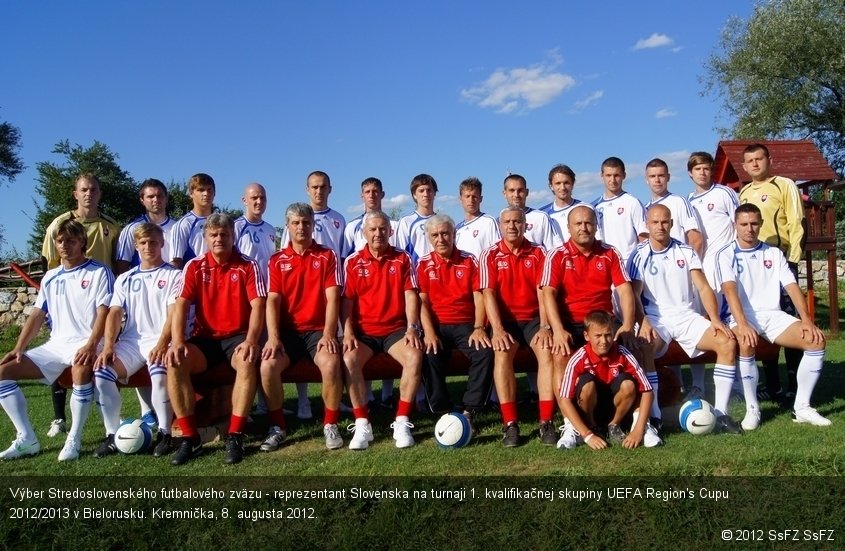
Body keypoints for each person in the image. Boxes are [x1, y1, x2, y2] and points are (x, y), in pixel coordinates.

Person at [539, 205, 654, 446]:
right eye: (578, 224)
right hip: (571, 323)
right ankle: (571, 426)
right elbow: (548, 293)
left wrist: (628, 325)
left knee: (637, 345)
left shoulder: (609, 252)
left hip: (603, 322)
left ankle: (640, 421)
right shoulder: (557, 255)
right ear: (568, 228)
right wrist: (557, 330)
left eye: (589, 223)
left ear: (596, 225)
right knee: (561, 355)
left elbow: (624, 289)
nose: (584, 228)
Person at [1, 219, 113, 460]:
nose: (65, 246)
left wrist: (92, 344)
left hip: (88, 341)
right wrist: (19, 347)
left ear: (82, 241)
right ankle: (27, 439)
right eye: (60, 241)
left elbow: (105, 311)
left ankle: (74, 437)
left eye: (71, 241)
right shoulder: (50, 277)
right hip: (56, 345)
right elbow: (38, 314)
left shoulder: (100, 271)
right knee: (3, 372)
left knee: (81, 369)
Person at [628, 204, 743, 434]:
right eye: (655, 222)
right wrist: (644, 321)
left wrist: (715, 319)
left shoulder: (685, 251)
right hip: (656, 318)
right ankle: (655, 417)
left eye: (665, 222)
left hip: (686, 316)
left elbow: (703, 286)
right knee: (645, 347)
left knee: (727, 342)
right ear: (647, 225)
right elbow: (633, 294)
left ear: (671, 223)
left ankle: (720, 413)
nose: (660, 226)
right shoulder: (638, 255)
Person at [716, 203, 830, 429]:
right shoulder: (725, 253)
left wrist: (806, 320)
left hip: (773, 315)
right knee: (746, 342)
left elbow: (792, 286)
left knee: (816, 341)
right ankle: (752, 408)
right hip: (741, 316)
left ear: (761, 224)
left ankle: (802, 407)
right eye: (744, 224)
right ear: (735, 225)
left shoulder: (773, 252)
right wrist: (743, 324)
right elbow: (729, 290)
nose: (749, 228)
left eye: (754, 223)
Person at [165, 213, 266, 465]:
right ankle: (191, 438)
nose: (219, 238)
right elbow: (180, 305)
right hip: (205, 339)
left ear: (233, 236)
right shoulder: (194, 266)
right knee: (175, 362)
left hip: (237, 337)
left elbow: (258, 306)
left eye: (224, 234)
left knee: (246, 361)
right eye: (214, 234)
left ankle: (235, 434)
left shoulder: (247, 265)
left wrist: (252, 340)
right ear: (205, 238)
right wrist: (177, 341)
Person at [40, 172, 119, 440]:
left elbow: (117, 266)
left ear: (100, 193)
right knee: (58, 352)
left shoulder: (111, 226)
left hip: (99, 299)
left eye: (94, 189)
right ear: (76, 193)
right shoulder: (59, 225)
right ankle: (59, 417)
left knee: (96, 357)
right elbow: (50, 266)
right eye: (84, 189)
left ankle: (107, 415)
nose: (89, 194)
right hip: (68, 300)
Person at [260, 203, 345, 451]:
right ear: (287, 226)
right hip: (288, 334)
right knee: (267, 367)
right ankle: (278, 427)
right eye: (296, 223)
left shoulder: (327, 255)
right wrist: (273, 338)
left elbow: (333, 298)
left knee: (330, 363)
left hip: (318, 330)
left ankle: (330, 424)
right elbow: (272, 301)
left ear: (312, 225)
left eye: (306, 222)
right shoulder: (276, 260)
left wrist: (329, 333)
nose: (301, 227)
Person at [92, 223, 181, 458]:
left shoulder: (174, 274)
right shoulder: (125, 278)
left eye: (153, 242)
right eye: (143, 243)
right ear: (136, 246)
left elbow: (174, 312)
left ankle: (165, 434)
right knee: (102, 372)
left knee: (160, 375)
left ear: (162, 243)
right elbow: (114, 313)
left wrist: (163, 342)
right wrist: (109, 345)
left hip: (162, 338)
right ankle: (112, 435)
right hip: (132, 341)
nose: (149, 246)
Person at [341, 211, 423, 450]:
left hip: (395, 330)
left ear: (390, 231)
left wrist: (412, 328)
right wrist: (347, 333)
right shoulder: (353, 262)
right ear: (364, 233)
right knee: (349, 359)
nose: (378, 233)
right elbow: (347, 303)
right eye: (373, 229)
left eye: (382, 229)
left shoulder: (402, 259)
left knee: (415, 356)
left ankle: (401, 420)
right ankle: (362, 423)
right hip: (364, 333)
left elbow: (410, 295)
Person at [479, 206, 555, 447]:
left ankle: (546, 421)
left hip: (533, 319)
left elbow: (543, 291)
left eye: (517, 222)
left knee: (547, 353)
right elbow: (488, 294)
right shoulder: (489, 254)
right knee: (501, 354)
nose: (512, 226)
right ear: (500, 226)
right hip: (506, 321)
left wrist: (545, 326)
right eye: (507, 222)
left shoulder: (539, 252)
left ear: (525, 225)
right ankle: (510, 424)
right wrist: (498, 329)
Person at [739, 143, 806, 405]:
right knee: (761, 320)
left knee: (790, 322)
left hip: (780, 261)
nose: (755, 164)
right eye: (750, 161)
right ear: (744, 166)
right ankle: (773, 384)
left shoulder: (784, 184)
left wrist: (792, 261)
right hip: (754, 266)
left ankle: (794, 385)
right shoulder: (744, 192)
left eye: (759, 159)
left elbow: (796, 221)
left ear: (769, 160)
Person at [418, 214, 493, 434]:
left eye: (445, 233)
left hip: (466, 324)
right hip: (437, 325)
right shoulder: (423, 264)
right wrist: (429, 333)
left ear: (454, 234)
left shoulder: (469, 260)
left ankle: (469, 410)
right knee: (428, 355)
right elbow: (421, 303)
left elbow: (479, 297)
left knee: (485, 352)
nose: (441, 238)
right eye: (435, 235)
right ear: (429, 238)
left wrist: (479, 328)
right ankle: (445, 412)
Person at [281, 171, 347, 420]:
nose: (319, 191)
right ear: (307, 189)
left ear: (330, 189)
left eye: (323, 187)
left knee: (331, 348)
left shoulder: (339, 219)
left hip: (329, 286)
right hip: (301, 290)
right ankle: (303, 401)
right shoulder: (297, 217)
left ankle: (335, 401)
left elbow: (343, 256)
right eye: (314, 187)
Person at [114, 178, 176, 432]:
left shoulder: (177, 226)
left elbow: (181, 260)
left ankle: (167, 421)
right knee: (135, 349)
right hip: (142, 295)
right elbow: (121, 264)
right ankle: (145, 410)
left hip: (171, 289)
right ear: (142, 200)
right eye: (150, 196)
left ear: (166, 197)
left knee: (161, 358)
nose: (155, 200)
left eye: (159, 195)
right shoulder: (131, 229)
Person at [644, 157, 705, 397]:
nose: (657, 180)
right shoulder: (648, 206)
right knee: (667, 336)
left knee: (694, 329)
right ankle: (678, 386)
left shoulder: (678, 202)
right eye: (652, 176)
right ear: (646, 179)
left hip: (684, 279)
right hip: (661, 284)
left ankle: (699, 384)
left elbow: (696, 238)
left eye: (661, 175)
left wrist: (687, 270)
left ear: (668, 177)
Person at [558, 310, 655, 450]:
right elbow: (564, 400)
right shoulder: (579, 358)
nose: (604, 341)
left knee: (628, 384)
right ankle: (590, 428)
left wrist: (637, 431)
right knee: (587, 384)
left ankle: (614, 425)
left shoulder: (623, 353)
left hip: (615, 407)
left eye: (608, 335)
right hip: (590, 407)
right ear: (586, 336)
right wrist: (587, 435)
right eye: (598, 336)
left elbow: (647, 391)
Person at [686, 151, 740, 398]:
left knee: (730, 324)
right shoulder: (687, 201)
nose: (702, 173)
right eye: (698, 169)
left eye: (706, 168)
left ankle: (737, 384)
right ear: (690, 173)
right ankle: (698, 385)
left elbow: (739, 224)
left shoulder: (724, 193)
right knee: (702, 324)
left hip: (724, 271)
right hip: (700, 272)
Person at [341, 177, 398, 409]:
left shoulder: (394, 224)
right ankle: (367, 397)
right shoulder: (351, 226)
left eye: (376, 191)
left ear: (382, 194)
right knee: (361, 346)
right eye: (367, 191)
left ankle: (387, 394)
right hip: (363, 289)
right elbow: (346, 258)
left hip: (388, 286)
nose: (372, 195)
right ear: (361, 195)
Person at [590, 157, 647, 263]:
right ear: (602, 176)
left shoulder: (632, 202)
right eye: (608, 175)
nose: (612, 180)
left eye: (616, 175)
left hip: (629, 262)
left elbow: (644, 237)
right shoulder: (594, 207)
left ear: (623, 176)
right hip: (604, 262)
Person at [502, 173, 560, 252]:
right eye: (512, 191)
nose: (516, 195)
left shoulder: (541, 217)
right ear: (504, 193)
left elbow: (553, 250)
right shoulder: (500, 221)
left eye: (520, 190)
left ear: (527, 192)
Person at [169, 173, 216, 269]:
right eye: (201, 190)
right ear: (191, 194)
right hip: (195, 280)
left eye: (209, 190)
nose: (206, 194)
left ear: (214, 193)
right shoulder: (183, 225)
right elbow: (176, 262)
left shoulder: (222, 222)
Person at [396, 173, 438, 266]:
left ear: (434, 193)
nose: (425, 194)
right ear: (414, 195)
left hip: (440, 276)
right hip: (417, 276)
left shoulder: (442, 222)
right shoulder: (406, 222)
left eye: (429, 190)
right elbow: (400, 254)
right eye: (421, 191)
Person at [454, 177, 501, 260]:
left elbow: (499, 252)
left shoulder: (489, 221)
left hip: (483, 272)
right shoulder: (457, 229)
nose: (471, 200)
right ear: (460, 199)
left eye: (474, 196)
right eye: (467, 196)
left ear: (481, 199)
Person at [539, 164, 585, 242]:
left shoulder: (585, 209)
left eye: (566, 183)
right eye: (558, 183)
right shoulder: (542, 214)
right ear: (551, 186)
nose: (562, 187)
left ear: (573, 184)